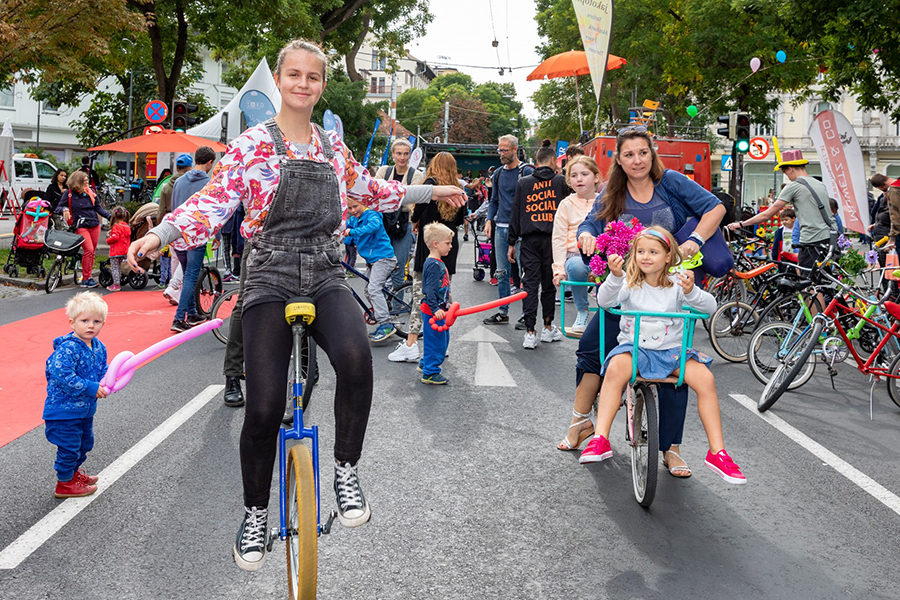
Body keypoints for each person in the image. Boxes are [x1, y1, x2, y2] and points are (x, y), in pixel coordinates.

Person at [128, 39, 466, 572]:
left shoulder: (333, 147)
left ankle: (346, 470)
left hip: (327, 268)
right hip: (270, 272)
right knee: (263, 406)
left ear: (322, 85)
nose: (303, 83)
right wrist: (162, 233)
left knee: (357, 359)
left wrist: (430, 193)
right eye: (294, 74)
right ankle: (255, 512)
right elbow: (215, 202)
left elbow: (371, 189)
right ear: (280, 80)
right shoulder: (251, 144)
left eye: (313, 76)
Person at [558, 127, 725, 479]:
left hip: (668, 291)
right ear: (618, 159)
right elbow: (590, 223)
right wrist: (587, 234)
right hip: (627, 290)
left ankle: (672, 449)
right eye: (629, 154)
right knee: (591, 348)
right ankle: (582, 423)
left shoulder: (673, 183)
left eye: (643, 153)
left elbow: (715, 208)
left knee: (676, 365)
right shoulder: (612, 192)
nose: (637, 160)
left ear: (652, 154)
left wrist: (694, 239)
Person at [580, 227, 746, 484]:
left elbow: (711, 307)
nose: (646, 257)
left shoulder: (679, 281)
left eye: (654, 252)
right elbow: (604, 302)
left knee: (705, 379)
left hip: (671, 353)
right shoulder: (628, 280)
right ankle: (600, 438)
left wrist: (692, 291)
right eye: (640, 251)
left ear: (669, 256)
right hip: (634, 349)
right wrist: (614, 276)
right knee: (614, 370)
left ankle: (717, 452)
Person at [388, 152, 465, 363]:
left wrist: (415, 220)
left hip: (429, 244)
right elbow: (461, 215)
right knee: (443, 296)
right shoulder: (457, 187)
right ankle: (440, 342)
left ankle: (411, 344)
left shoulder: (430, 185)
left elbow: (418, 210)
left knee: (420, 296)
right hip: (448, 244)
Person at [727, 149, 835, 276]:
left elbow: (767, 215)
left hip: (811, 239)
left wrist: (740, 224)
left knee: (807, 282)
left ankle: (812, 296)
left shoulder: (794, 186)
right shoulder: (820, 184)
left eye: (786, 172)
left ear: (791, 169)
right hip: (829, 237)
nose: (788, 177)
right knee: (820, 279)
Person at [43, 292, 109, 498]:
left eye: (96, 321)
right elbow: (61, 374)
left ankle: (72, 475)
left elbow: (102, 371)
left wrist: (110, 381)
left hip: (85, 409)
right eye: (85, 320)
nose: (91, 325)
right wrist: (90, 387)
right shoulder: (68, 349)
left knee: (85, 444)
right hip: (63, 410)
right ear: (72, 323)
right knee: (69, 447)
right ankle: (64, 483)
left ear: (103, 323)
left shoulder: (98, 347)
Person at [508, 143, 568, 348]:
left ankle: (530, 331)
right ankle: (548, 327)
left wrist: (511, 242)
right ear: (553, 161)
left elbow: (515, 213)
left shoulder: (524, 183)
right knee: (549, 286)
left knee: (530, 285)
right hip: (553, 240)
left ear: (536, 162)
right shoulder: (561, 182)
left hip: (529, 240)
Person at [483, 134, 533, 326]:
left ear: (514, 149)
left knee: (524, 273)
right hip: (501, 227)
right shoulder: (498, 174)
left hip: (521, 230)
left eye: (505, 150)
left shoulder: (526, 171)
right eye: (499, 150)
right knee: (501, 272)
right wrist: (489, 220)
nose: (501, 154)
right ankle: (503, 311)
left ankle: (526, 313)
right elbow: (494, 200)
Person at [169, 146, 217, 332]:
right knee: (191, 276)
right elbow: (215, 211)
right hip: (196, 233)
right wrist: (217, 235)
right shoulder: (210, 183)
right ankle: (179, 318)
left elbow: (174, 208)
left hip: (178, 233)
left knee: (186, 272)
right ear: (210, 162)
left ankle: (192, 312)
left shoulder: (179, 182)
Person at [552, 155, 601, 336]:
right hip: (576, 255)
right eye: (573, 175)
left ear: (596, 177)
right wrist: (558, 269)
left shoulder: (605, 201)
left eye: (584, 174)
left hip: (602, 254)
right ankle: (582, 310)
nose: (579, 179)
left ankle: (609, 313)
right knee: (575, 265)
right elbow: (558, 238)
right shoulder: (566, 204)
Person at [343, 197, 399, 342]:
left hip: (384, 258)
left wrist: (352, 232)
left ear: (364, 203)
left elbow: (373, 226)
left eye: (355, 206)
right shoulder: (354, 219)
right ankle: (382, 313)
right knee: (368, 291)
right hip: (372, 261)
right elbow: (344, 229)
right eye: (349, 208)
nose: (353, 211)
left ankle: (386, 324)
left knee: (374, 289)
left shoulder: (372, 214)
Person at [375, 139, 424, 295]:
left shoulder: (415, 174)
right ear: (393, 155)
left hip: (405, 222)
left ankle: (398, 307)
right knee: (380, 266)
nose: (402, 157)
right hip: (384, 222)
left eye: (405, 154)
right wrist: (399, 195)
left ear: (410, 155)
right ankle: (381, 306)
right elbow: (375, 193)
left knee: (398, 265)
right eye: (399, 154)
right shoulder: (384, 170)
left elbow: (411, 200)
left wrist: (389, 194)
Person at [57, 171, 111, 289]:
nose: (87, 183)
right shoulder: (69, 194)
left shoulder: (90, 192)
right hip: (80, 225)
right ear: (78, 181)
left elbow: (98, 208)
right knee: (88, 249)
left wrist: (110, 217)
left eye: (87, 180)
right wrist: (65, 209)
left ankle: (89, 276)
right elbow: (58, 207)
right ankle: (85, 278)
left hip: (94, 224)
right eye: (85, 181)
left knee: (92, 252)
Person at [419, 223, 454, 385]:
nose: (451, 246)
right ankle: (430, 372)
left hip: (439, 309)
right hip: (434, 311)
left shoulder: (436, 262)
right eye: (447, 243)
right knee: (437, 342)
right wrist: (435, 309)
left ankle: (426, 363)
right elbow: (430, 290)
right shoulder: (433, 264)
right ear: (435, 244)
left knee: (440, 339)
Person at [158, 155, 193, 304]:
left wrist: (161, 227)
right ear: (190, 167)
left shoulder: (166, 186)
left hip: (171, 223)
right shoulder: (190, 184)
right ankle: (179, 289)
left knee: (174, 257)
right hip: (187, 223)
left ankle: (174, 290)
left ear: (176, 168)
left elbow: (160, 210)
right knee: (188, 258)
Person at [105, 206, 132, 292]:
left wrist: (108, 240)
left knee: (115, 268)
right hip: (124, 251)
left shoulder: (116, 226)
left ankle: (116, 284)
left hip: (116, 251)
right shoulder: (127, 226)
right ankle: (119, 280)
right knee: (119, 267)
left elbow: (115, 238)